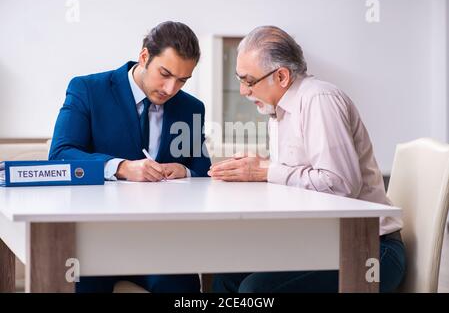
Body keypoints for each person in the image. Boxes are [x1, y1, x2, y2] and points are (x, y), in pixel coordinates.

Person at [209, 26, 406, 293]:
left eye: (249, 80)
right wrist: (261, 166)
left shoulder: (318, 99)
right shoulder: (279, 112)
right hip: (323, 243)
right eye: (240, 80)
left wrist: (266, 171)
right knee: (225, 273)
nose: (243, 91)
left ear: (281, 76)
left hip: (370, 249)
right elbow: (300, 175)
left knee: (255, 290)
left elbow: (340, 185)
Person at [49, 21, 211, 292]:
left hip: (160, 246)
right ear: (144, 56)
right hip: (92, 243)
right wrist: (121, 167)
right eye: (165, 74)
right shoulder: (88, 89)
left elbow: (202, 167)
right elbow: (60, 154)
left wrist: (184, 171)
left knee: (185, 290)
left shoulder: (191, 108)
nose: (171, 89)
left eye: (182, 80)